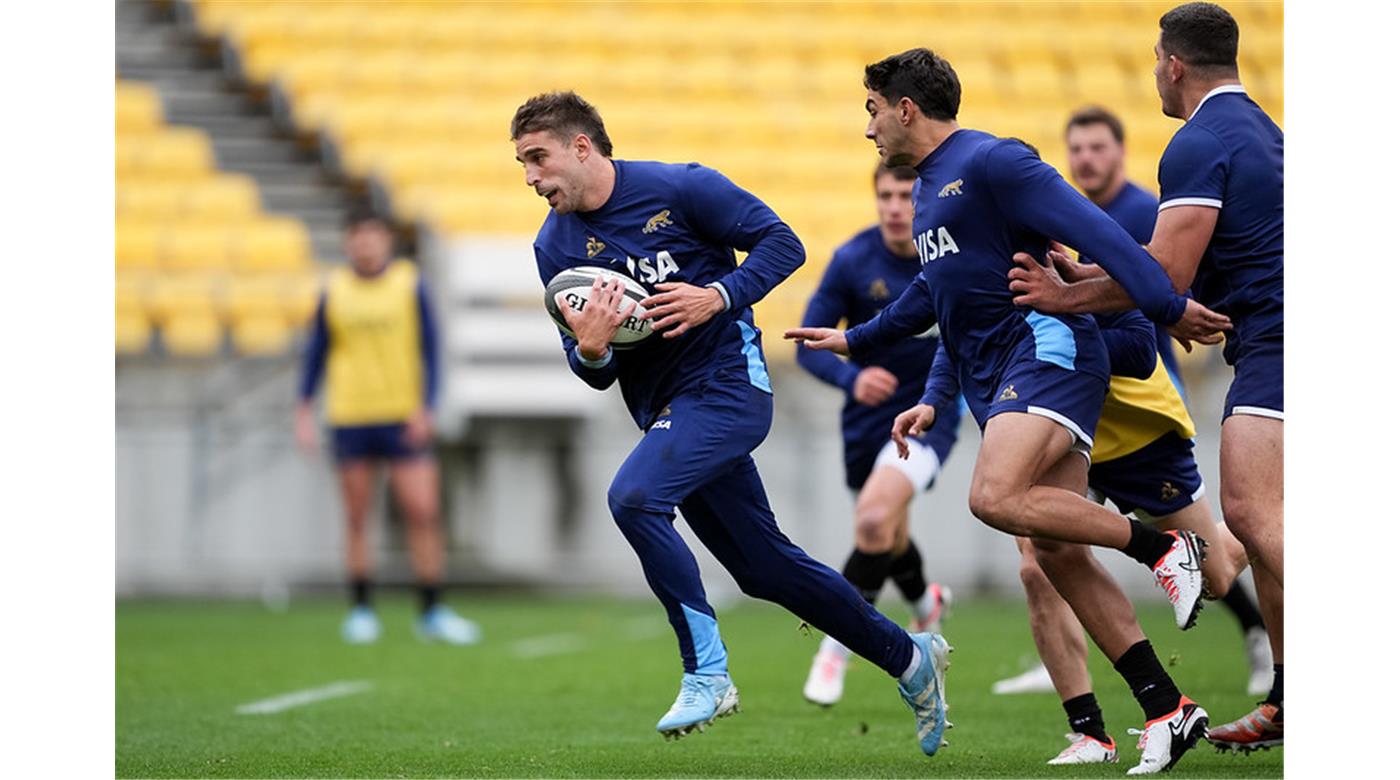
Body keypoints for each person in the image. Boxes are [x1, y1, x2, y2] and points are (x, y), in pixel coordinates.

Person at [785, 48, 1230, 774]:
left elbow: (1107, 240)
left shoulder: (997, 163)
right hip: (997, 377)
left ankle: (1163, 548)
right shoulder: (928, 188)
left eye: (870, 110)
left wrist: (1170, 305)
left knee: (993, 496)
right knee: (1052, 551)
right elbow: (941, 297)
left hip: (1050, 353)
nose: (866, 128)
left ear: (904, 108)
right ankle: (1167, 709)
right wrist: (857, 342)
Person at [512, 91, 951, 756]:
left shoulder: (682, 188)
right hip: (668, 411)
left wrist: (718, 294)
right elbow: (590, 368)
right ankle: (910, 658)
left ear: (582, 147)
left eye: (538, 159)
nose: (530, 178)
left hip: (729, 388)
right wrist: (595, 348)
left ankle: (707, 672)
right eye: (521, 164)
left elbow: (784, 244)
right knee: (765, 570)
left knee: (633, 498)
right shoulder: (554, 249)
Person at [1005, 3, 1284, 754]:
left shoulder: (1196, 145)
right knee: (1049, 549)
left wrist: (1070, 296)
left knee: (1249, 527)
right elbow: (1196, 269)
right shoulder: (1258, 128)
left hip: (1251, 356)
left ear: (1172, 64)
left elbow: (1160, 280)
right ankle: (1277, 697)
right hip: (1257, 338)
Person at [794, 164, 961, 707]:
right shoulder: (852, 259)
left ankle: (834, 650)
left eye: (906, 196)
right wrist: (852, 375)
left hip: (927, 422)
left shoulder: (953, 255)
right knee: (885, 535)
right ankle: (925, 599)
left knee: (871, 519)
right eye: (885, 195)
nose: (895, 206)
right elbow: (804, 343)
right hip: (865, 427)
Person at [296, 205, 480, 646]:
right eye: (358, 236)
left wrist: (427, 407)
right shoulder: (334, 289)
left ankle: (432, 611)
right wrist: (303, 408)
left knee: (424, 513)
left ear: (386, 241)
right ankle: (361, 611)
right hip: (350, 415)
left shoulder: (408, 284)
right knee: (358, 517)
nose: (365, 244)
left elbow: (431, 349)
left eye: (373, 236)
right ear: (348, 242)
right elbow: (316, 352)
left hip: (402, 416)